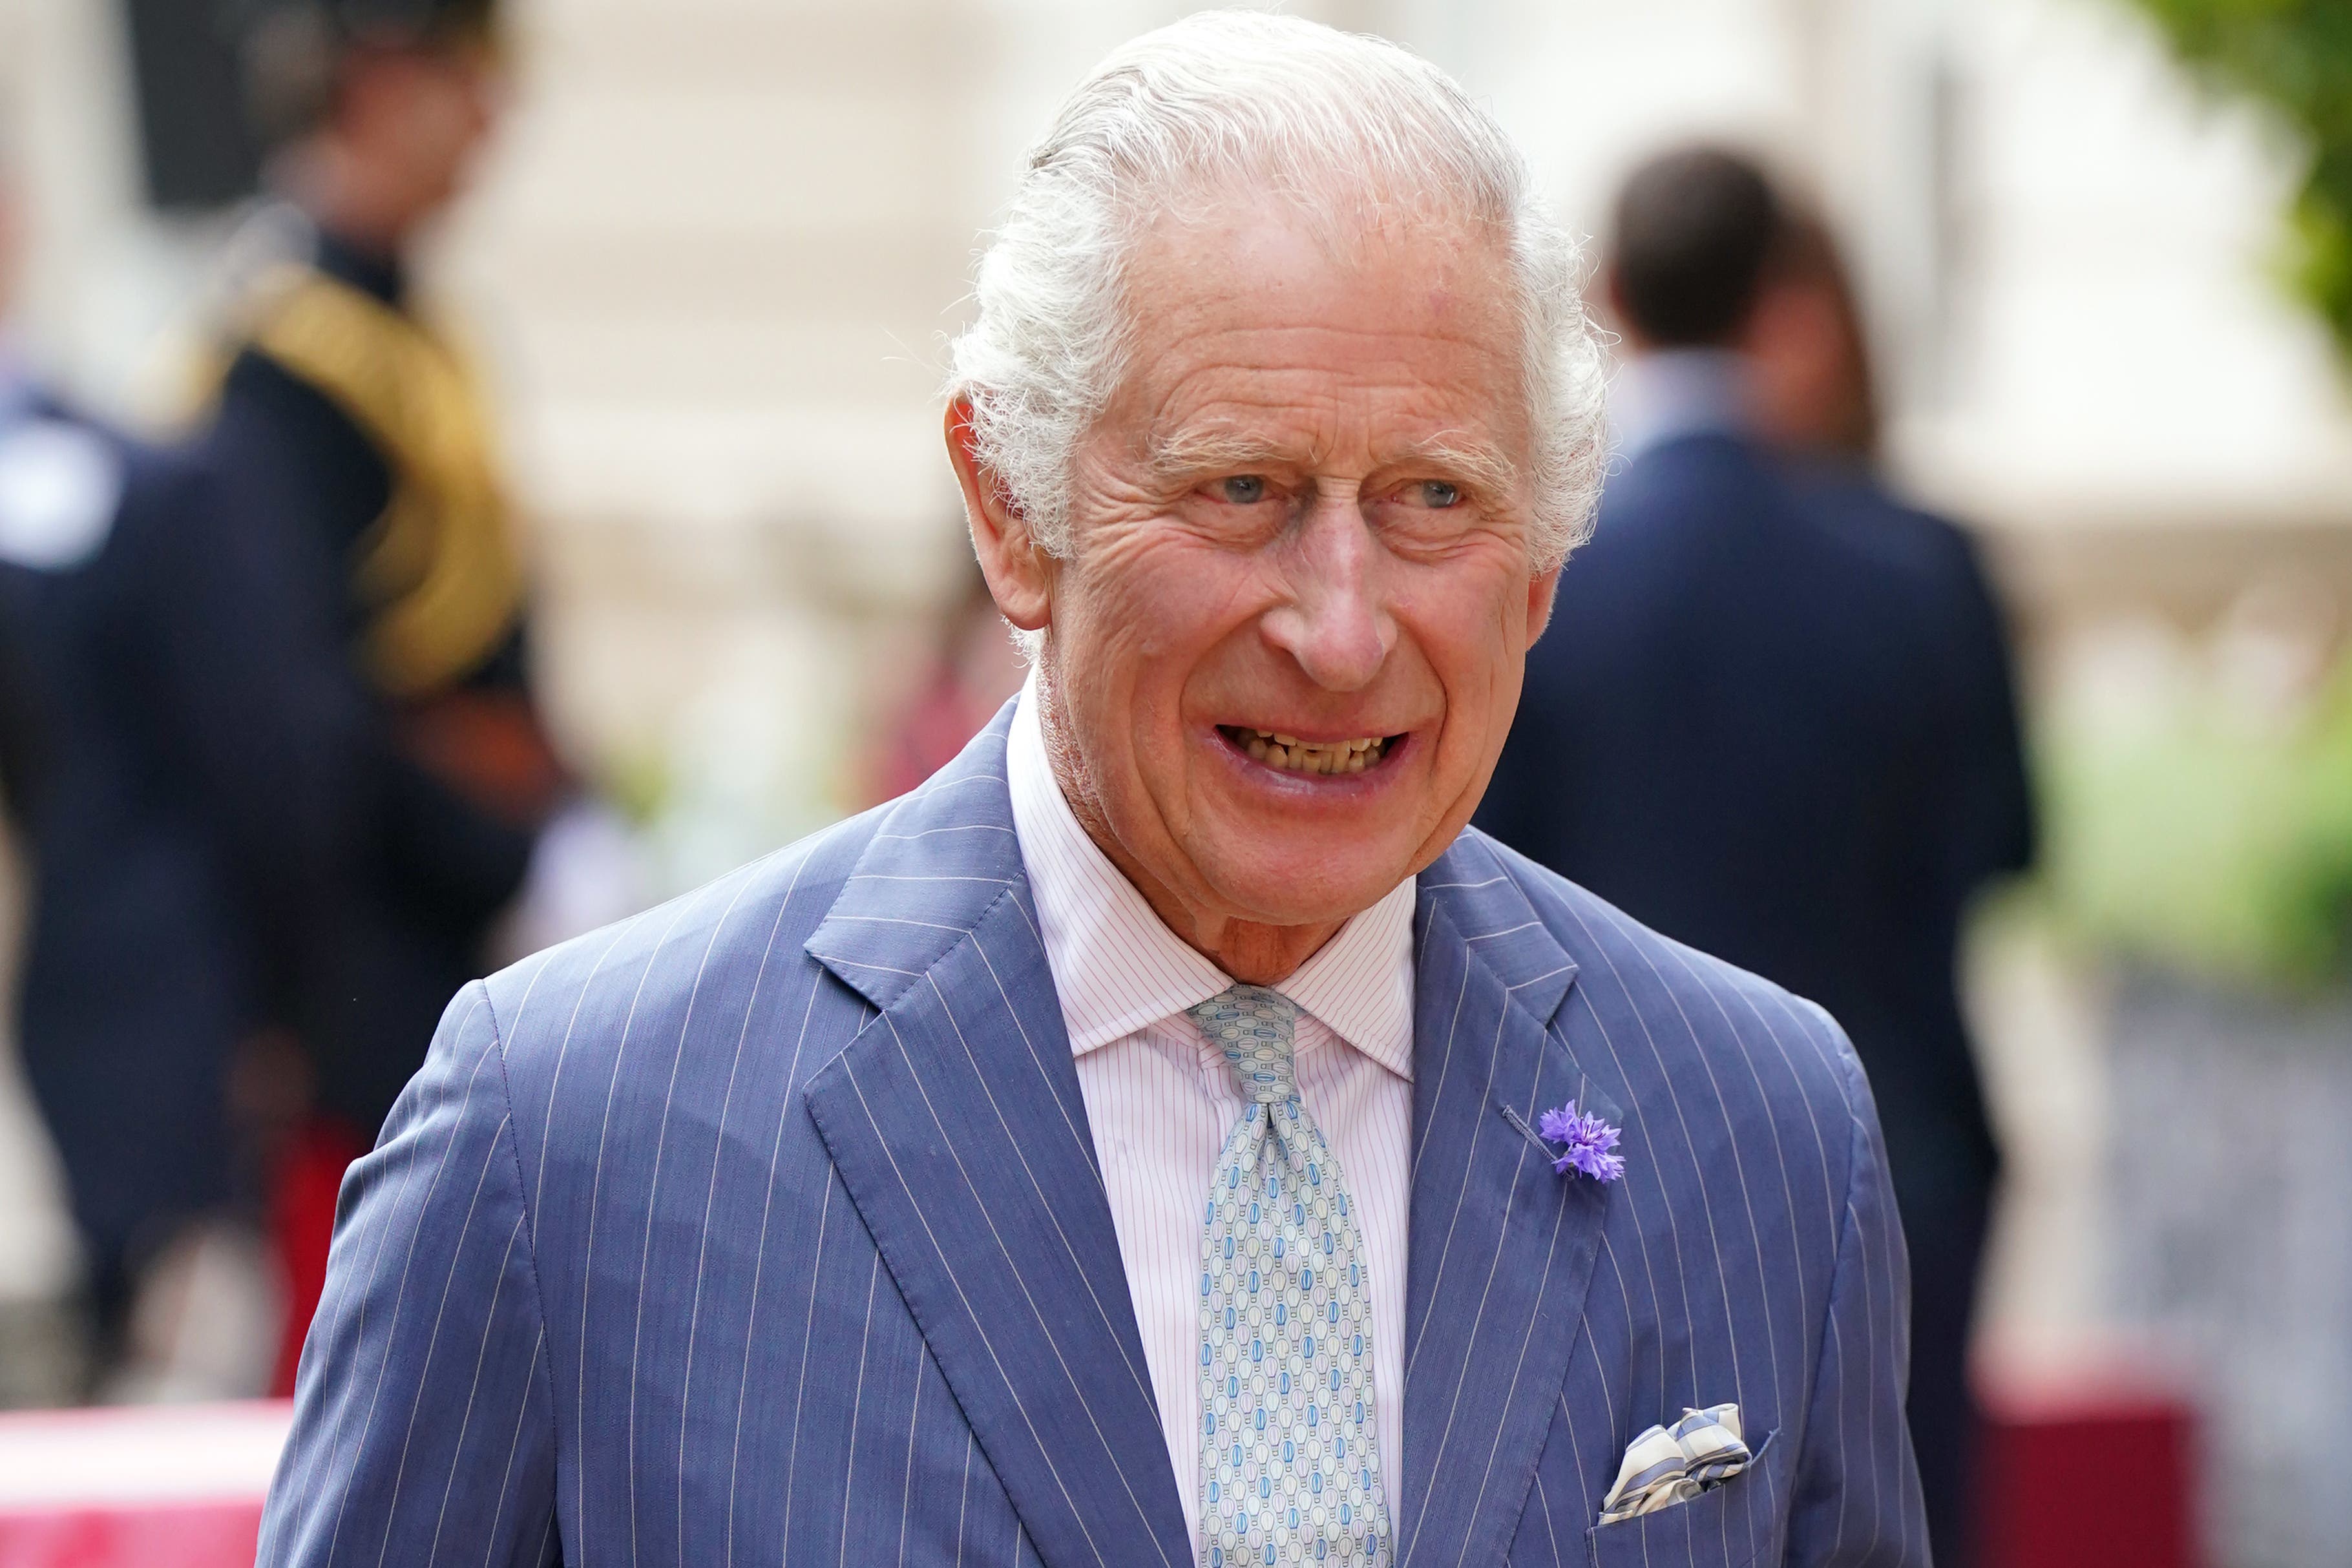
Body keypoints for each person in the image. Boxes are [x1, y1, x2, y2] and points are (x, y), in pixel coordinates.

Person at [258, 17, 1926, 1565]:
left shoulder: (1764, 1131)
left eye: (1433, 497)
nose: (1342, 632)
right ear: (1010, 508)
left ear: (1550, 557)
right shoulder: (567, 1140)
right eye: (1241, 488)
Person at [1476, 147, 2033, 1567]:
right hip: (1896, 1168)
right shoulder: (1919, 568)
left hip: (1603, 1173)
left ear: (1602, 298)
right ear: (1781, 301)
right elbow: (2002, 844)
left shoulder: (1536, 589)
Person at [196, 0, 575, 1386]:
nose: (490, 117)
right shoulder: (276, 359)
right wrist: (503, 824)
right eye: (467, 77)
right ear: (376, 78)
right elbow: (298, 719)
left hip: (460, 950)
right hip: (360, 986)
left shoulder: (419, 328)